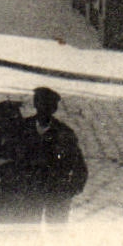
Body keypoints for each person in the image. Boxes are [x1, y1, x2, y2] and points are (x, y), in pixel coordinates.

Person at [27, 87, 88, 222]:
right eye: (40, 104)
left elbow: (79, 164)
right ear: (35, 104)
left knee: (56, 229)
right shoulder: (23, 127)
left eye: (48, 106)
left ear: (54, 109)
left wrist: (70, 190)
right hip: (28, 191)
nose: (44, 109)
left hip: (56, 191)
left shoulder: (64, 132)